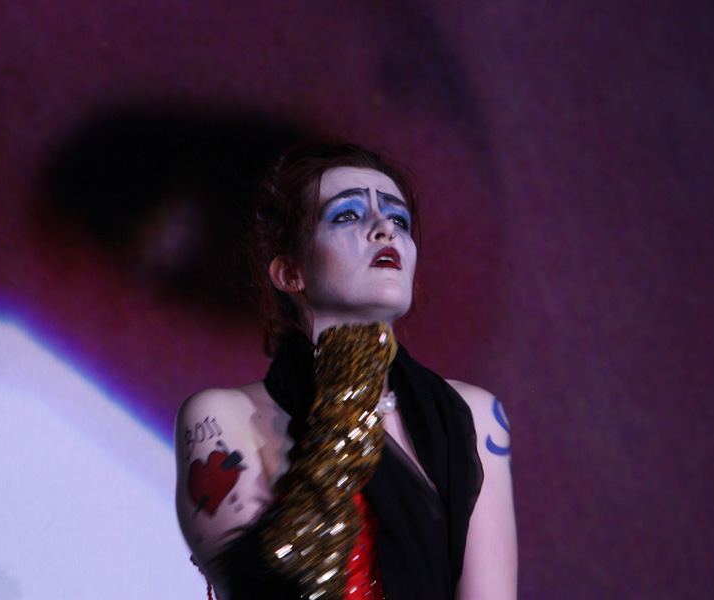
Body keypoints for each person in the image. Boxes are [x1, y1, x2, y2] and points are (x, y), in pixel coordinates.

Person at [175, 143, 517, 599]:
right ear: (291, 272)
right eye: (348, 215)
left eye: (399, 221)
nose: (385, 230)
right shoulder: (220, 416)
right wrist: (348, 388)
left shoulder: (472, 414)